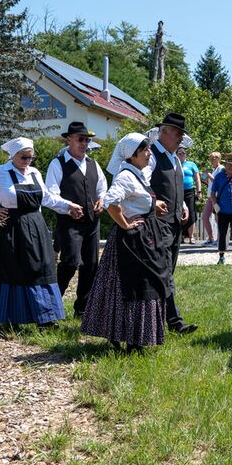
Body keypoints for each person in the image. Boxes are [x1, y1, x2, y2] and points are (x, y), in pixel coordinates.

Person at [0, 137, 83, 327]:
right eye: (24, 157)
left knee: (40, 268)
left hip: (36, 227)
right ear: (13, 155)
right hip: (10, 229)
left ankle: (44, 316)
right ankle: (9, 317)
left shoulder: (34, 173)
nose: (28, 161)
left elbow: (46, 198)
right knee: (12, 270)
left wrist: (68, 206)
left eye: (31, 157)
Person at [82, 134, 172, 353]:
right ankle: (130, 339)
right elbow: (110, 201)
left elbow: (136, 199)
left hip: (145, 236)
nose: (149, 154)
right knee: (135, 287)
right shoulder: (126, 176)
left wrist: (153, 205)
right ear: (132, 155)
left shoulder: (138, 174)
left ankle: (134, 338)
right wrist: (125, 224)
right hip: (132, 241)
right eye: (145, 150)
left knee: (147, 284)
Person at [45, 121, 107, 318]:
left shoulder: (93, 164)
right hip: (69, 223)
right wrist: (68, 206)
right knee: (70, 262)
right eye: (81, 139)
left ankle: (82, 309)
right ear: (69, 140)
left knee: (91, 265)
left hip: (92, 222)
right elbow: (50, 195)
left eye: (87, 140)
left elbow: (102, 188)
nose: (84, 144)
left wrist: (102, 200)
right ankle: (52, 306)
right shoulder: (57, 164)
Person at [148, 112, 197, 334]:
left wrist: (183, 205)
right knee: (165, 272)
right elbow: (139, 184)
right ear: (164, 131)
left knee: (168, 272)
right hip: (158, 224)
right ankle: (175, 323)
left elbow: (176, 187)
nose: (180, 138)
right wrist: (153, 202)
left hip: (175, 222)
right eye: (177, 133)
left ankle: (158, 317)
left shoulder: (175, 158)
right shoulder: (151, 155)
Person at [179, 147, 201, 243]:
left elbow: (197, 179)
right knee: (179, 212)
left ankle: (191, 236)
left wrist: (199, 191)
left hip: (190, 191)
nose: (181, 155)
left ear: (186, 154)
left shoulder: (191, 164)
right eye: (179, 153)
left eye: (183, 153)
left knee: (191, 212)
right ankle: (181, 236)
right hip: (178, 191)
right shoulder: (175, 163)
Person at [200, 151, 222, 245]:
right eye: (211, 158)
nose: (212, 160)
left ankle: (220, 240)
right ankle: (211, 238)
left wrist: (209, 175)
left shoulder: (221, 168)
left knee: (218, 218)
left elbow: (218, 182)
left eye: (214, 158)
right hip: (210, 196)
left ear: (219, 159)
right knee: (204, 217)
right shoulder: (214, 170)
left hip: (217, 197)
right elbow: (211, 183)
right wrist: (205, 179)